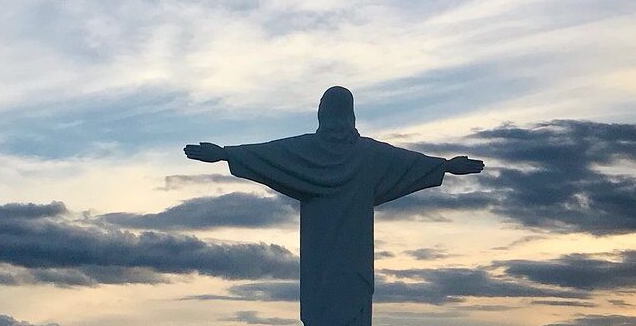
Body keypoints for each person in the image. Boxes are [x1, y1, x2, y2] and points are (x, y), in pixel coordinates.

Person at [184, 85, 484, 326]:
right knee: (350, 306)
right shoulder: (369, 155)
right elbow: (407, 164)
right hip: (352, 258)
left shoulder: (307, 151)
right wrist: (444, 166)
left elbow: (270, 155)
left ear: (322, 114)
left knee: (325, 307)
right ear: (351, 114)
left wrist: (226, 154)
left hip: (321, 260)